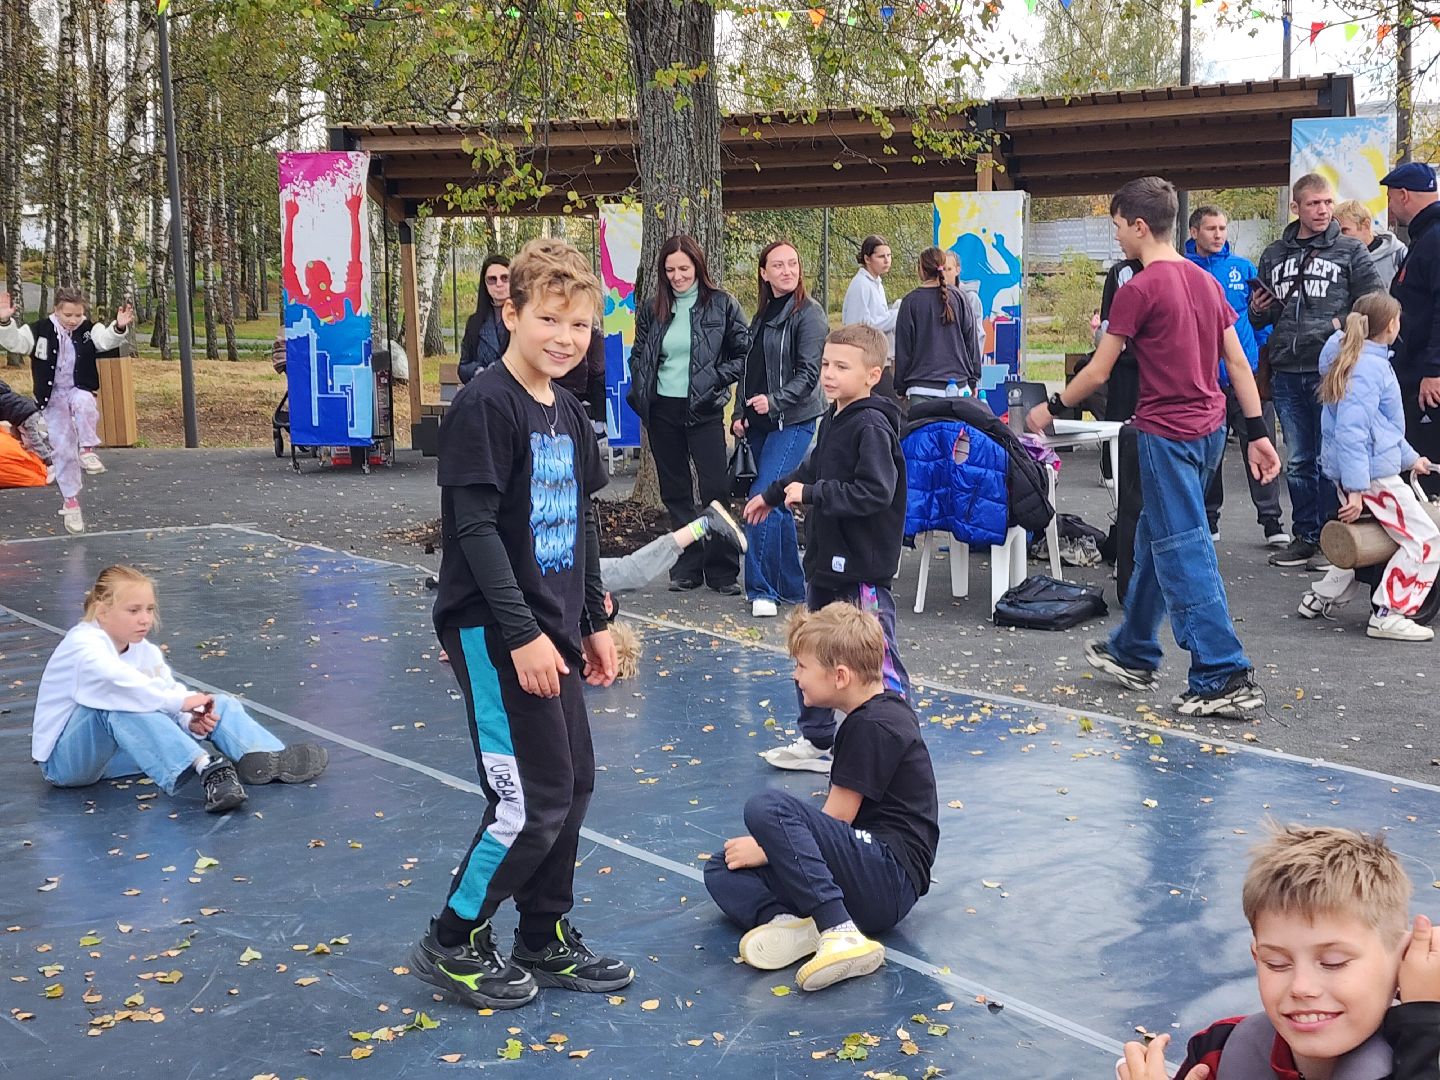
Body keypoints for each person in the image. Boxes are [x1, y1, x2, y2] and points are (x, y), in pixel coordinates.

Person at [411, 236, 632, 1014]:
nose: (565, 338)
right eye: (549, 319)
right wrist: (523, 635)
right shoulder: (485, 405)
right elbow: (472, 532)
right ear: (511, 313)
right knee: (528, 801)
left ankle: (543, 933)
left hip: (554, 626)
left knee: (573, 785)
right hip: (495, 630)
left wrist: (593, 617)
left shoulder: (567, 411)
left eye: (579, 325)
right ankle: (454, 936)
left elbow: (585, 524)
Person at [1028, 176, 1281, 718]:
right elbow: (1238, 362)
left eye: (1118, 226)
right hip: (1210, 431)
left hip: (1166, 435)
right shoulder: (1206, 282)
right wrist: (1258, 433)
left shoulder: (1137, 289)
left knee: (1182, 548)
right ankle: (1134, 649)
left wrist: (1052, 406)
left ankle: (1222, 672)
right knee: (1155, 536)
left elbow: (1099, 370)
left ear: (1140, 226)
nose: (1116, 236)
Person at [704, 603, 937, 993]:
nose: (796, 676)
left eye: (802, 666)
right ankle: (792, 926)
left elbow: (838, 818)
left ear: (840, 676)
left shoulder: (873, 726)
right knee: (721, 868)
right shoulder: (873, 715)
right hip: (866, 878)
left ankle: (839, 930)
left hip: (888, 875)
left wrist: (767, 849)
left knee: (767, 808)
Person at [1117, 825, 1440, 1080]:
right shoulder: (1218, 1053)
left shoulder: (1426, 1058)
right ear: (1256, 958)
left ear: (1404, 959)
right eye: (1277, 963)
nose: (1301, 987)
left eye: (1333, 963)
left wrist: (1426, 1021)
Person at [743, 323, 909, 773]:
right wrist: (773, 494)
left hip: (861, 570)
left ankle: (895, 739)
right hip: (824, 565)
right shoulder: (835, 417)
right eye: (825, 364)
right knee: (813, 652)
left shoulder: (872, 425)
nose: (829, 374)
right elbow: (812, 467)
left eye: (842, 366)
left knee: (874, 657)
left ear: (872, 375)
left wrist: (812, 495)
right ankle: (818, 740)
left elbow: (875, 491)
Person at [31, 565, 327, 814]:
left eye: (149, 609)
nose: (145, 619)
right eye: (133, 610)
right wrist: (179, 703)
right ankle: (206, 768)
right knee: (117, 705)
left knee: (216, 704)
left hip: (123, 753)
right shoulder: (82, 644)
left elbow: (166, 690)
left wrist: (191, 718)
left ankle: (264, 756)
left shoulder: (143, 650)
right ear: (102, 612)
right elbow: (119, 683)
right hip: (69, 764)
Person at [1252, 174, 1383, 569]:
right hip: (1287, 368)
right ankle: (1305, 536)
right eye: (1314, 204)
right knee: (1298, 459)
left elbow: (1376, 303)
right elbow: (1264, 317)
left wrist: (1338, 326)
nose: (1324, 210)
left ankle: (1332, 538)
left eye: (1328, 202)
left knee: (1331, 457)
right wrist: (1258, 310)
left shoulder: (1350, 250)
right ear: (1296, 207)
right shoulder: (1274, 254)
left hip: (1331, 368)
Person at [1300, 293, 1439, 642]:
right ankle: (1389, 613)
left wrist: (1411, 458)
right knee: (1425, 541)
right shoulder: (1369, 367)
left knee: (1372, 536)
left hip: (1365, 471)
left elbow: (1378, 427)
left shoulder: (1355, 358)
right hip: (1373, 476)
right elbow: (1353, 431)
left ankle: (1322, 595)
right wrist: (1358, 489)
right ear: (1390, 326)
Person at [627, 234, 750, 593]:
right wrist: (641, 383)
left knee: (714, 489)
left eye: (684, 268)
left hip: (705, 409)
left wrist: (716, 377)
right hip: (662, 409)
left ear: (697, 266)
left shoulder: (722, 304)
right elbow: (640, 353)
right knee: (676, 492)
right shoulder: (653, 307)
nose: (677, 276)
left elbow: (744, 353)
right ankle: (687, 566)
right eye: (670, 270)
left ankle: (723, 571)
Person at [733, 240, 828, 618]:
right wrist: (739, 413)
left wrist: (773, 401)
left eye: (792, 264)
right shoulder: (761, 315)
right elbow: (749, 369)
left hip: (794, 420)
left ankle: (761, 590)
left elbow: (809, 375)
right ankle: (792, 588)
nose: (787, 271)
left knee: (764, 497)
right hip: (759, 424)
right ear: (763, 273)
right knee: (780, 503)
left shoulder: (810, 314)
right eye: (778, 265)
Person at [1185, 205, 1289, 547]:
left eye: (1222, 228)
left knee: (1260, 443)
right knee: (1209, 454)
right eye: (1211, 228)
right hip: (1204, 380)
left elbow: (1262, 317)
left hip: (1247, 375)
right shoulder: (1183, 270)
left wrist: (1261, 359)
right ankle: (1209, 519)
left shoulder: (1242, 268)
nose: (1218, 234)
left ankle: (1272, 520)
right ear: (1194, 232)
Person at [0, 287, 130, 535]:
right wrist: (5, 322)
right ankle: (71, 503)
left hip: (78, 388)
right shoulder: (39, 330)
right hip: (52, 399)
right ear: (56, 310)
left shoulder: (88, 331)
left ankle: (88, 449)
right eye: (67, 315)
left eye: (78, 315)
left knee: (85, 403)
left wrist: (119, 327)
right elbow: (15, 343)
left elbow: (106, 341)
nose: (72, 320)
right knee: (62, 450)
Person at [1383, 162, 1440, 495]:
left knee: (1427, 470)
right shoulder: (1424, 237)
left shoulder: (1434, 239)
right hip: (1414, 371)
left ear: (1403, 195)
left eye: (1390, 198)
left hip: (1426, 378)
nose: (1390, 207)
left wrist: (1434, 369)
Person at [893, 247, 981, 402]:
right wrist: (974, 379)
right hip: (958, 386)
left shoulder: (910, 302)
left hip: (921, 387)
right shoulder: (960, 298)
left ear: (921, 270)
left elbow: (903, 348)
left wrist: (900, 386)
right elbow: (971, 341)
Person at [841, 235, 899, 358]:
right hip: (863, 355)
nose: (887, 260)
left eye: (889, 255)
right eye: (881, 256)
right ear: (867, 259)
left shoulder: (876, 283)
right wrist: (896, 315)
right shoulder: (861, 285)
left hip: (876, 354)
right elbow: (859, 327)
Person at [457, 254, 510, 384]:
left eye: (505, 278)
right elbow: (463, 366)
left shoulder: (525, 318)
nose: (499, 284)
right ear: (485, 283)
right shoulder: (475, 322)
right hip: (484, 390)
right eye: (492, 279)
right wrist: (478, 371)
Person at [1336, 198, 1408, 287]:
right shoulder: (1336, 258)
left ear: (1366, 225)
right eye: (1336, 231)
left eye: (1345, 230)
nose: (1339, 236)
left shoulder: (1398, 255)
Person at [941, 248, 986, 363]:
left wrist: (973, 365)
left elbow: (978, 335)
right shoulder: (935, 297)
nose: (945, 274)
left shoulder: (971, 298)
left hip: (963, 364)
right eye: (942, 269)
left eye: (949, 269)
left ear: (957, 270)